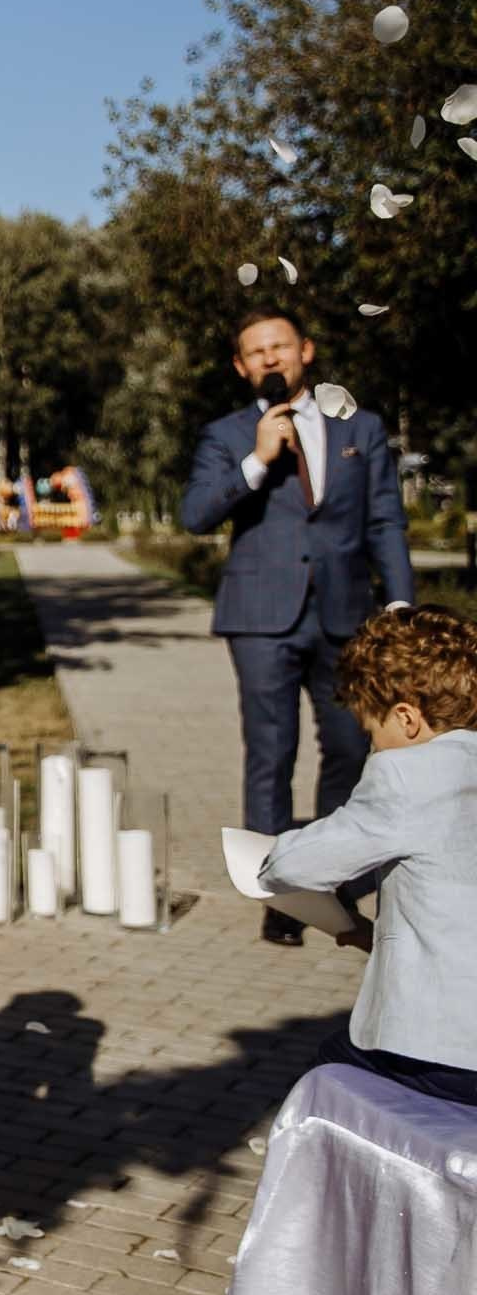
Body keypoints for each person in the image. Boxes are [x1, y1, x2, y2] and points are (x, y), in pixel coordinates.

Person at [181, 306, 414, 946]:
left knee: (347, 749)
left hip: (345, 617)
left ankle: (333, 881)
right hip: (260, 620)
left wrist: (398, 606)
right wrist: (255, 462)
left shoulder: (360, 427)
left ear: (304, 351)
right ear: (241, 366)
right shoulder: (226, 434)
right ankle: (280, 896)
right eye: (254, 352)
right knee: (271, 756)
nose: (269, 359)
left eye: (278, 346)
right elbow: (195, 514)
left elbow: (385, 522)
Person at [260, 604, 477, 1106]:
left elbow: (297, 865)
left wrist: (267, 857)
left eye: (371, 731)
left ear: (407, 718)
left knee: (327, 1079)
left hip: (443, 1049)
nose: (371, 748)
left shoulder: (406, 777)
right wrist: (372, 937)